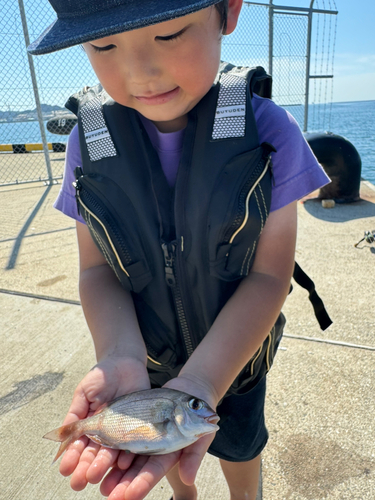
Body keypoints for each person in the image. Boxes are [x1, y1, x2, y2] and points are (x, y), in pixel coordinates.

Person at [28, 1, 330, 499]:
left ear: (228, 13)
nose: (140, 71)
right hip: (145, 363)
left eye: (168, 35)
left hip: (237, 362)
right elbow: (96, 270)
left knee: (240, 446)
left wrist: (206, 382)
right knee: (161, 445)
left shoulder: (268, 132)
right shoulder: (90, 139)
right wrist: (118, 353)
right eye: (104, 45)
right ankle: (182, 494)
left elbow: (270, 276)